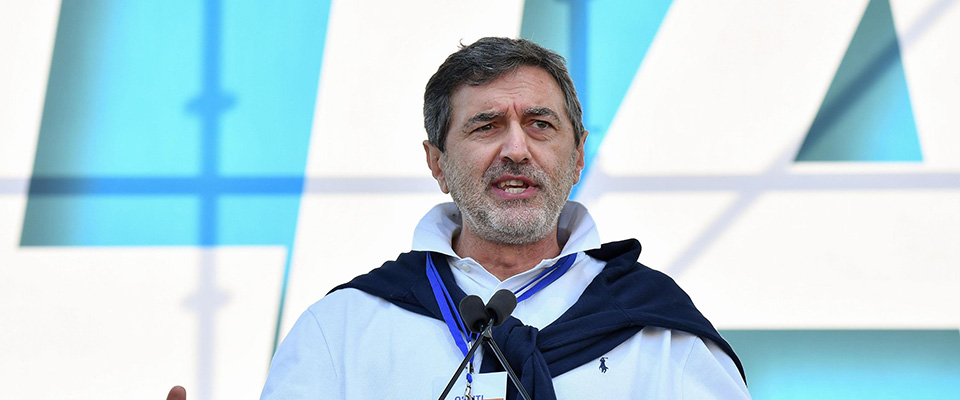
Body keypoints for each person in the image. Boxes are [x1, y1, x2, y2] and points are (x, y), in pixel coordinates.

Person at [172, 37, 750, 399]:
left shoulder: (666, 336)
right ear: (437, 162)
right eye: (486, 125)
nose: (517, 150)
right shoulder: (341, 330)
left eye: (541, 124)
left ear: (577, 157)